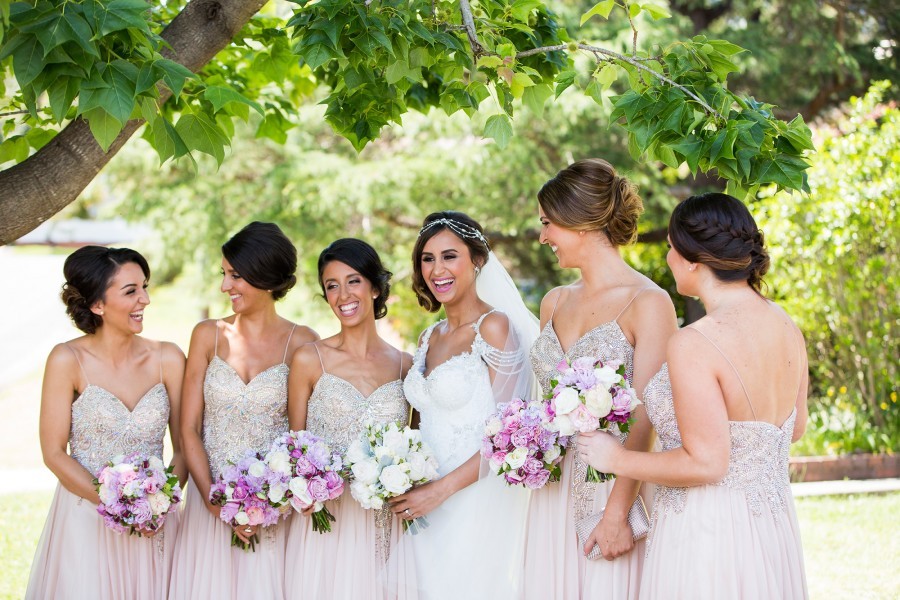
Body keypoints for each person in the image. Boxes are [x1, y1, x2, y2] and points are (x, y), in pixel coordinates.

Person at [578, 192, 809, 599]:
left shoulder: (694, 343)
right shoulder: (785, 325)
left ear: (694, 261)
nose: (667, 257)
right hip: (770, 526)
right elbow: (794, 430)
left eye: (670, 247)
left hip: (709, 532)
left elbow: (707, 462)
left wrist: (615, 458)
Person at [524, 159, 677, 599]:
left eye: (548, 223)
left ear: (582, 223)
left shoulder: (648, 302)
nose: (543, 237)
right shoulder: (553, 302)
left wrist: (616, 514)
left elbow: (647, 417)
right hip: (552, 490)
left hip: (612, 485)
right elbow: (547, 401)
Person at [388, 211, 538, 599]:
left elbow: (510, 437)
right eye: (427, 258)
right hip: (424, 502)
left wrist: (441, 490)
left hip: (473, 499)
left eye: (449, 256)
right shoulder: (428, 336)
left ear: (478, 260)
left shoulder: (494, 327)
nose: (437, 269)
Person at [26, 246, 186, 600]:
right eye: (131, 291)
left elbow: (185, 444)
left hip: (156, 523)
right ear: (97, 305)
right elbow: (54, 452)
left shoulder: (169, 357)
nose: (144, 299)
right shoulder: (67, 359)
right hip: (87, 519)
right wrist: (118, 505)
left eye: (144, 287)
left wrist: (158, 503)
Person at [169, 222, 318, 599]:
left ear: (264, 275)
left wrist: (266, 502)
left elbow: (301, 439)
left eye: (235, 275)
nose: (224, 286)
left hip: (274, 512)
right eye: (224, 274)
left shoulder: (302, 342)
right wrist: (218, 504)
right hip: (210, 505)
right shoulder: (208, 335)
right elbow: (189, 429)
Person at [284, 238, 415, 599]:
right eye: (331, 285)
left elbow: (416, 447)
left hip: (384, 525)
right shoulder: (309, 359)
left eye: (353, 280)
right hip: (327, 524)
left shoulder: (406, 365)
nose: (343, 295)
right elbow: (295, 447)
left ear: (375, 287)